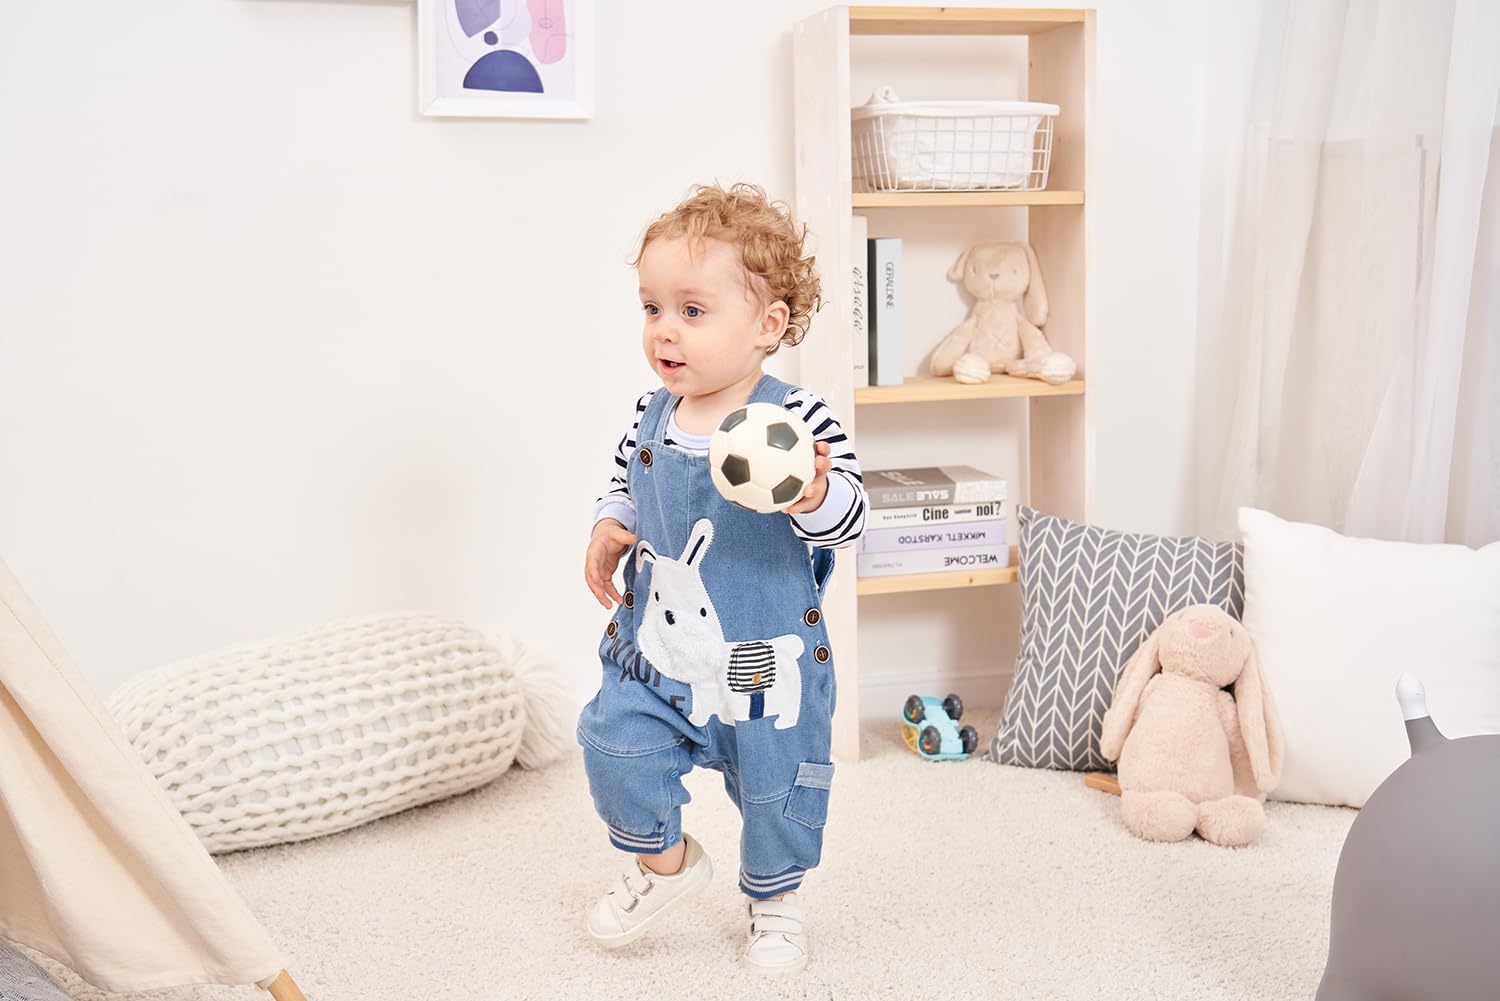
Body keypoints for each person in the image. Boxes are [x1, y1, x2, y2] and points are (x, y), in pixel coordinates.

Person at [577, 182, 868, 974]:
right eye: (652, 308)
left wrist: (813, 494)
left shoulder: (799, 421)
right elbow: (626, 483)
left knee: (776, 786)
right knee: (612, 742)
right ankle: (664, 862)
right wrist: (610, 524)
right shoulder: (652, 412)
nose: (664, 330)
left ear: (767, 325)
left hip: (761, 656)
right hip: (660, 653)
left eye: (692, 310)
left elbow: (851, 517)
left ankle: (775, 898)